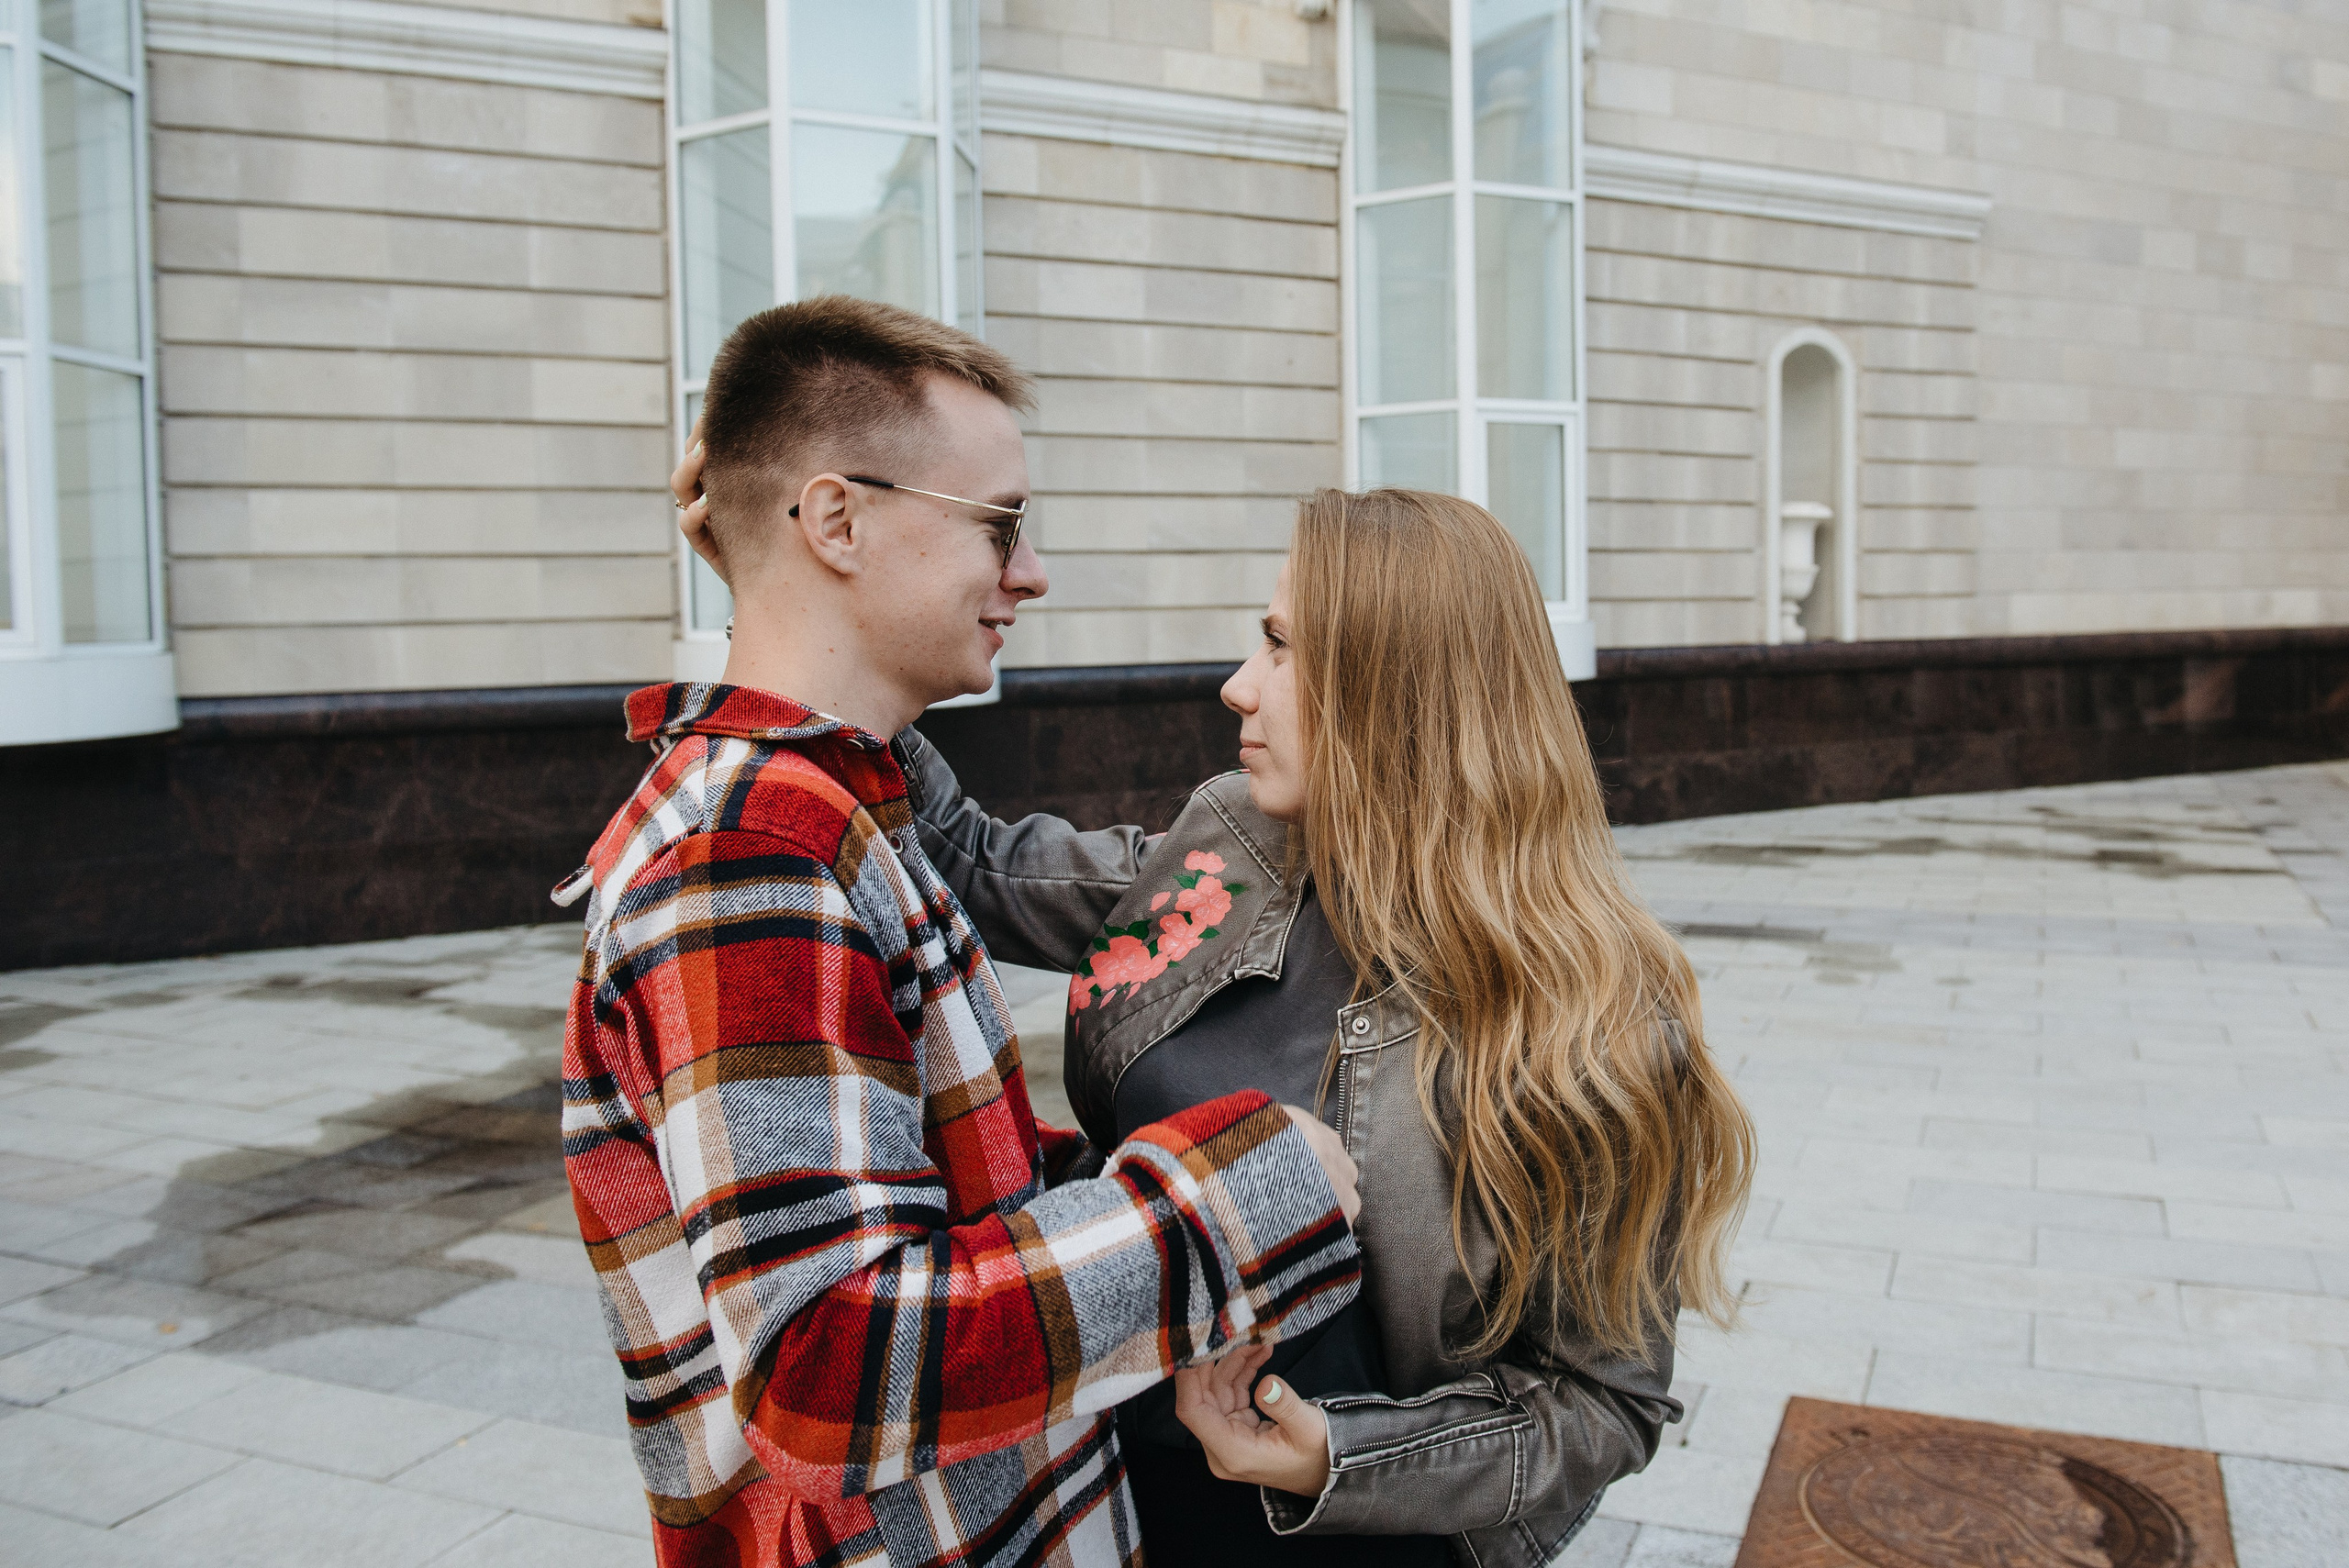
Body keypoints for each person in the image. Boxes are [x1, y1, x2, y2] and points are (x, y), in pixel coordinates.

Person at [562, 295, 1365, 1568]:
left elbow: (925, 1194)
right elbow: (830, 1367)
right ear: (835, 520)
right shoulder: (753, 860)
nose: (1028, 571)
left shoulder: (827, 808)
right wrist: (1245, 1195)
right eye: (999, 526)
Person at [834, 488, 1760, 1567]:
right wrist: (812, 597)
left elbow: (1601, 1406)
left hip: (1347, 1534)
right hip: (1102, 1492)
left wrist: (1333, 1453)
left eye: (1281, 646)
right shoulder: (1230, 842)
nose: (1239, 684)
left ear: (1398, 695)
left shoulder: (1586, 1019)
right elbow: (970, 859)